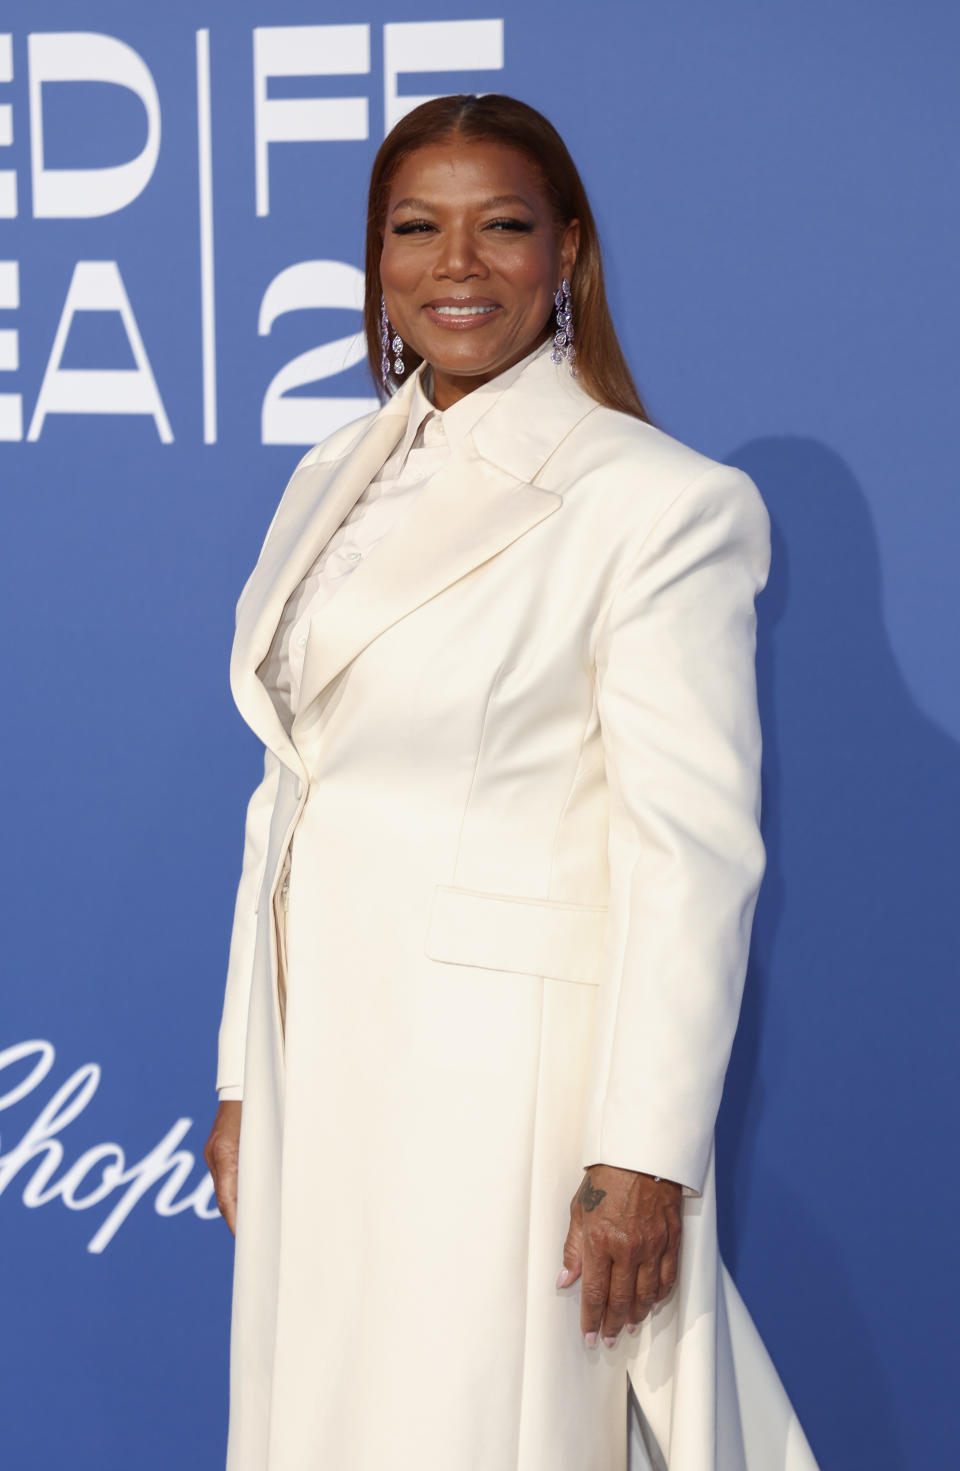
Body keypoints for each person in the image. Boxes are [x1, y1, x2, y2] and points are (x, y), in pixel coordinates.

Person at [204, 93, 818, 1471]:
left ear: (570, 255)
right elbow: (287, 791)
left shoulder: (655, 502)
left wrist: (646, 1154)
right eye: (417, 230)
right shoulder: (328, 477)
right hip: (327, 1070)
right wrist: (248, 1071)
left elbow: (691, 852)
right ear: (375, 262)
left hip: (506, 1095)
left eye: (503, 228)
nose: (457, 267)